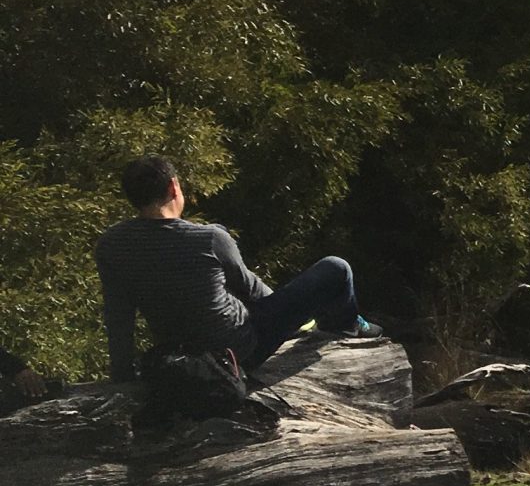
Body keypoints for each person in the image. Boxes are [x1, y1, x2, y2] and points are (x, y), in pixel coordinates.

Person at [94, 156, 377, 382]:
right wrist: (290, 318)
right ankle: (348, 326)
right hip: (239, 350)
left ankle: (339, 325)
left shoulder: (111, 245)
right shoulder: (208, 239)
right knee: (337, 269)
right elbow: (252, 290)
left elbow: (119, 315)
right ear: (173, 187)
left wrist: (122, 375)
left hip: (180, 355)